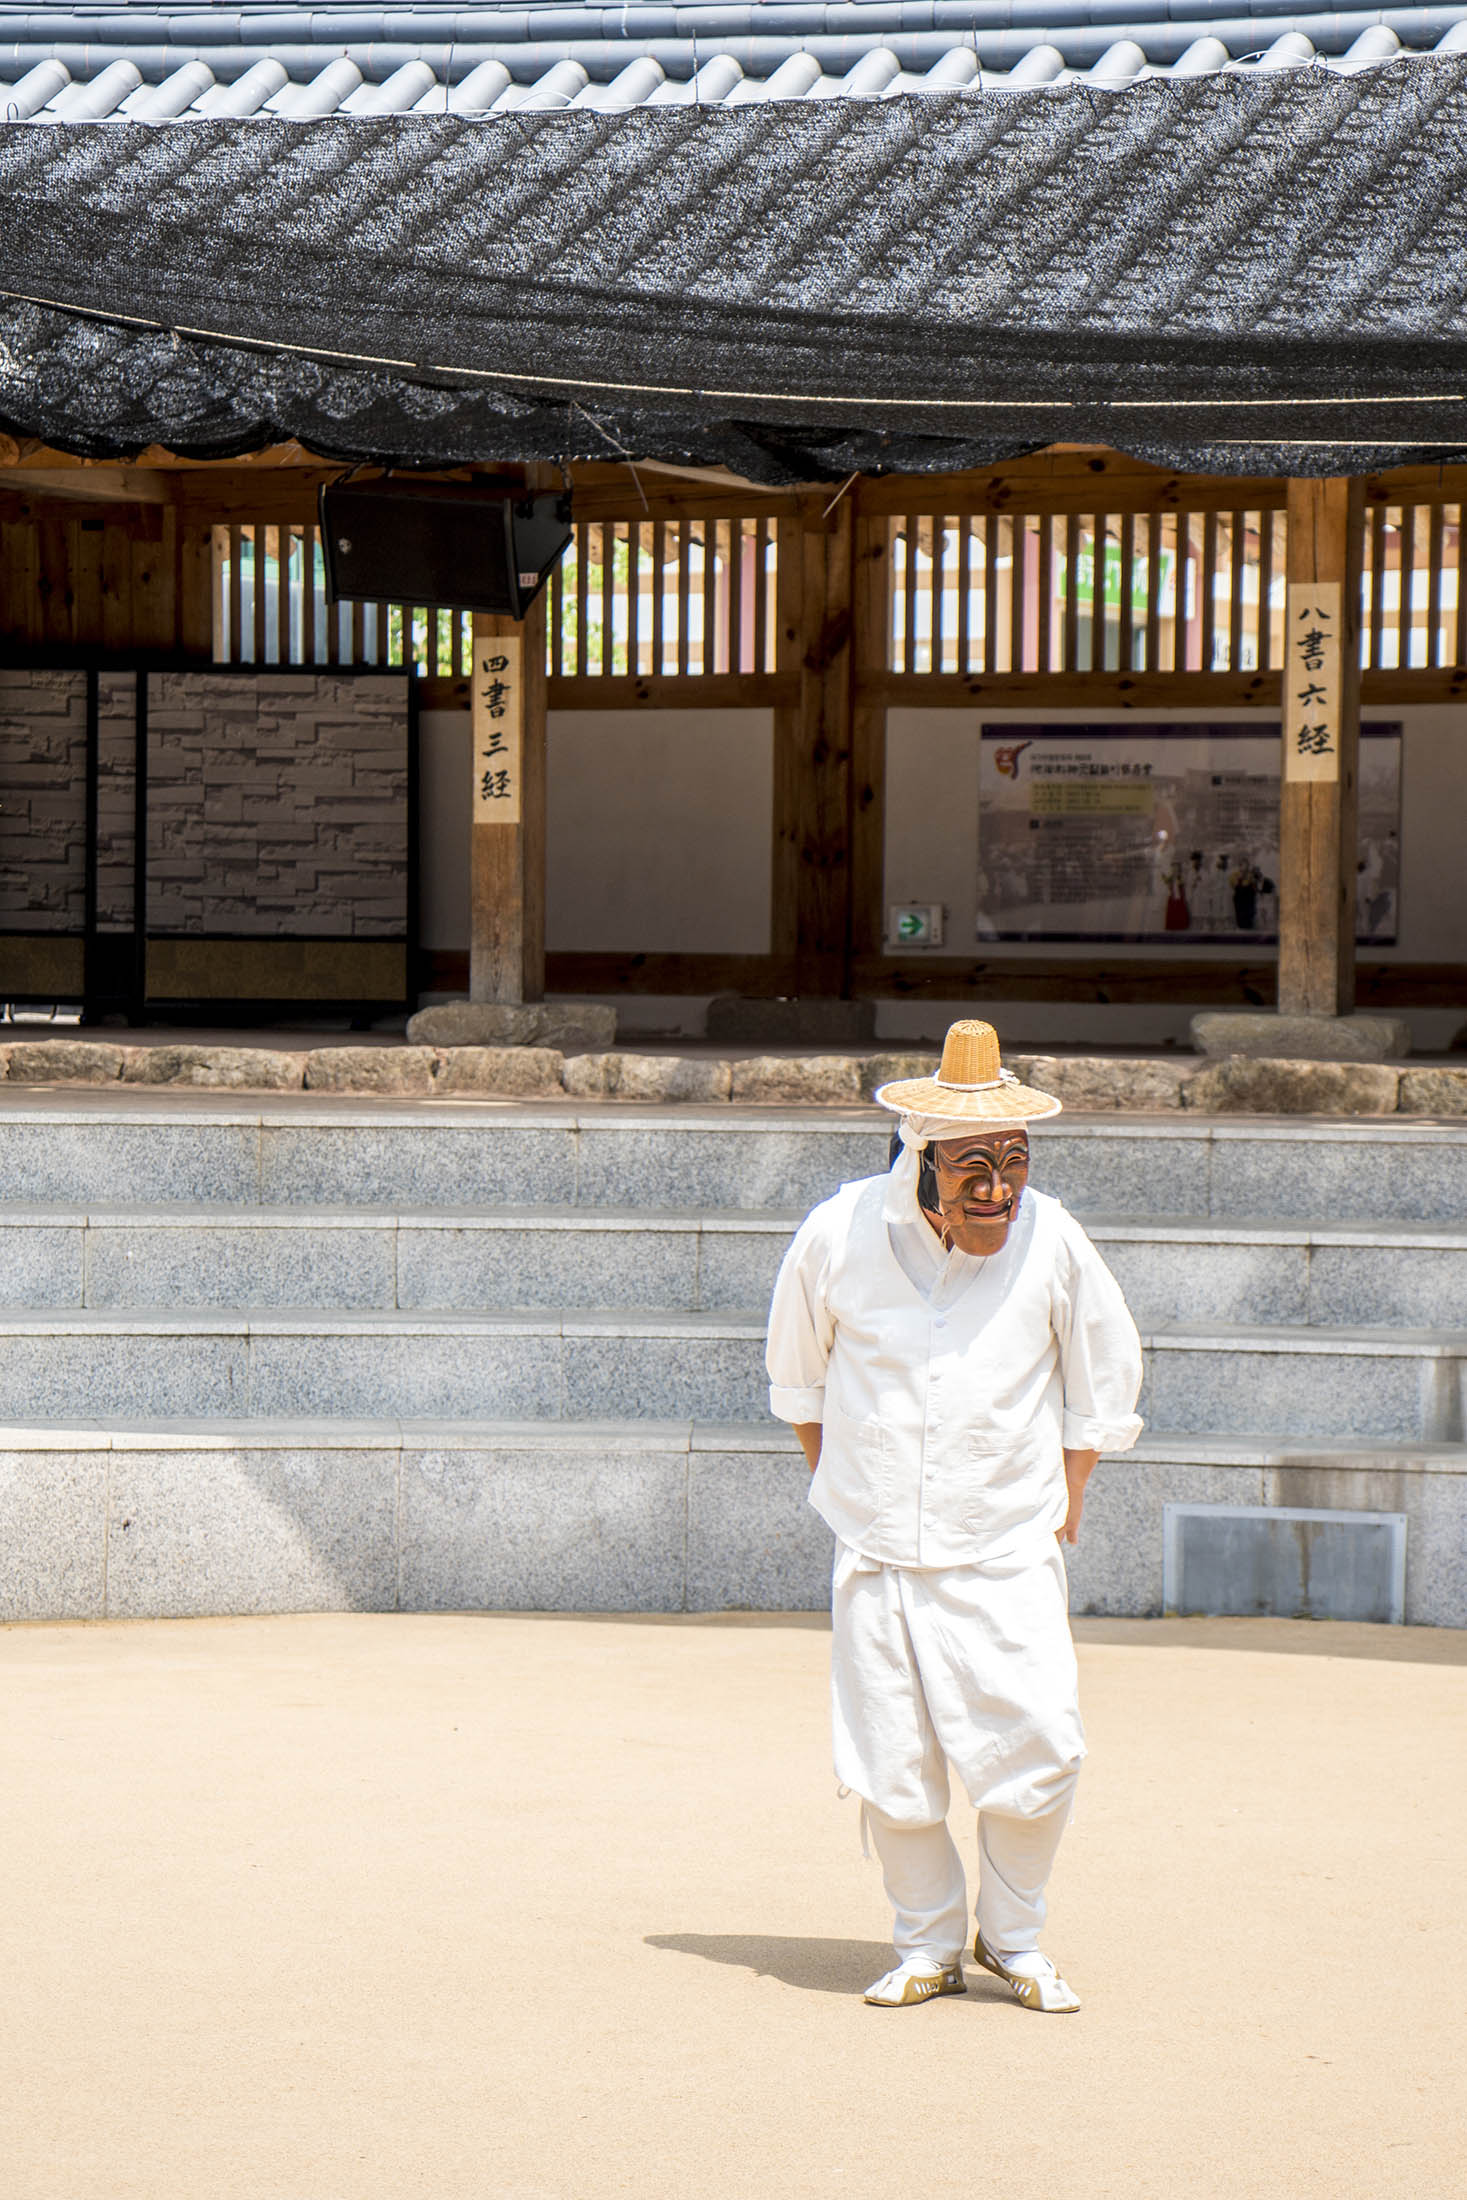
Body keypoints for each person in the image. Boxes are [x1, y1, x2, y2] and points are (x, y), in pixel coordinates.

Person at [765, 1019, 1143, 2013]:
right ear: (921, 1159)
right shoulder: (839, 1232)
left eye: (1013, 1163)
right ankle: (926, 1942)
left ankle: (1010, 1936)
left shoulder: (1051, 1236)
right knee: (892, 1768)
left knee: (1045, 1748)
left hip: (1008, 1541)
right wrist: (853, 1493)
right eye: (975, 1166)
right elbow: (800, 1386)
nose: (997, 1191)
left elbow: (1101, 1384)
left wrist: (1063, 1506)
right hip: (880, 1549)